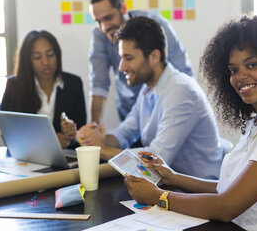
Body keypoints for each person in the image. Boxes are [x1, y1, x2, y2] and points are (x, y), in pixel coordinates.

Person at [124, 13, 257, 230]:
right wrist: (173, 178)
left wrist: (159, 196)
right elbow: (229, 189)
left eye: (252, 65)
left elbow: (226, 206)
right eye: (234, 70)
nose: (240, 76)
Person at [77, 16, 223, 180]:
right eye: (121, 57)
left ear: (154, 56)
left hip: (198, 193)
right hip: (169, 186)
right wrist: (97, 139)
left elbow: (156, 159)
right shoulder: (149, 87)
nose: (121, 67)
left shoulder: (180, 91)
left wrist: (100, 150)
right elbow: (125, 132)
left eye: (129, 58)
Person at [89, 0, 193, 123]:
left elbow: (184, 73)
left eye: (108, 18)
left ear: (123, 8)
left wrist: (181, 113)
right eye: (98, 21)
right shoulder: (100, 34)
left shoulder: (156, 26)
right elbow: (99, 84)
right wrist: (94, 127)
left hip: (164, 108)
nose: (104, 27)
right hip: (129, 109)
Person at [1, 30, 86, 149]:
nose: (46, 62)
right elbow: (8, 135)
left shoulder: (73, 83)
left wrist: (73, 135)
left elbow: (82, 132)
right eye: (37, 57)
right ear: (27, 60)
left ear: (58, 55)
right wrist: (48, 143)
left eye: (50, 55)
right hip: (27, 159)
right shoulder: (14, 86)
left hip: (66, 159)